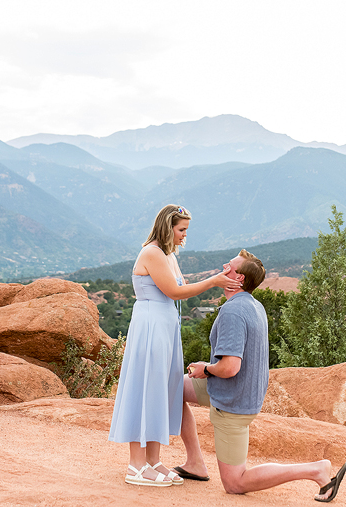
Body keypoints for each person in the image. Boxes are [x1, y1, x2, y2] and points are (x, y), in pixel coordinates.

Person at [174, 249, 346, 502]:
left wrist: (206, 368)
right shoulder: (254, 305)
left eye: (230, 266)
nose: (224, 266)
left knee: (235, 483)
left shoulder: (232, 312)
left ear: (239, 279)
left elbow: (230, 367)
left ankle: (316, 470)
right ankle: (195, 463)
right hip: (238, 391)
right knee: (174, 388)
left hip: (233, 402)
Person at [108, 204, 243, 488]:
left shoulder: (168, 255)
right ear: (167, 227)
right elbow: (175, 291)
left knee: (162, 390)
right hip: (151, 327)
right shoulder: (152, 253)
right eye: (181, 230)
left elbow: (178, 287)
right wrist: (214, 282)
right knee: (145, 388)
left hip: (166, 327)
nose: (184, 236)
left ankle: (153, 461)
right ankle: (135, 464)